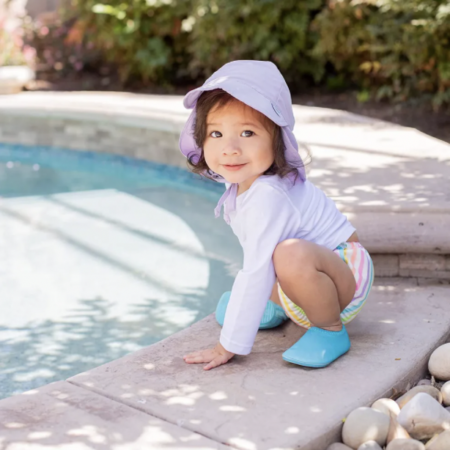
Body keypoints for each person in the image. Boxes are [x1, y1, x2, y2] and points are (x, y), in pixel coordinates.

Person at [179, 60, 374, 371]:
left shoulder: (269, 194)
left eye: (246, 132)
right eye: (215, 133)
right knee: (275, 251)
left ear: (277, 141)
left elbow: (257, 268)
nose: (229, 148)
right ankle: (277, 307)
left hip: (345, 277)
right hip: (312, 273)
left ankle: (329, 329)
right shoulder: (244, 184)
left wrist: (228, 344)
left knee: (285, 254)